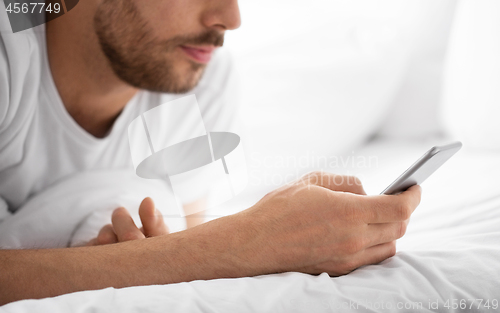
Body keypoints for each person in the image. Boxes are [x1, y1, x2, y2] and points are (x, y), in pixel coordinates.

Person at [0, 0, 421, 305]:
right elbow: (189, 256)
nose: (230, 18)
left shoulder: (206, 82)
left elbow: (170, 249)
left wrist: (141, 254)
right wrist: (255, 241)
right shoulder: (9, 51)